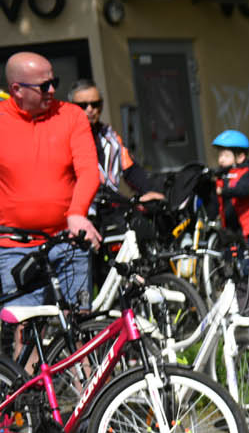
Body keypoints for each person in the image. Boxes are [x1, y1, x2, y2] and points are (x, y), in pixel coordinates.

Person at [0, 51, 100, 309]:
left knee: (80, 322)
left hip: (67, 239)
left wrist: (77, 213)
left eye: (54, 81)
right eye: (44, 86)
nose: (53, 90)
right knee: (29, 327)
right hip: (15, 246)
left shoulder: (71, 115)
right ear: (17, 89)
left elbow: (88, 169)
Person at [67, 80, 162, 201]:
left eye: (95, 104)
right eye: (82, 106)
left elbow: (131, 170)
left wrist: (151, 191)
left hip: (111, 207)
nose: (90, 109)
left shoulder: (110, 135)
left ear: (101, 106)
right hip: (82, 210)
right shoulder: (66, 139)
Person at [211, 130, 249, 239]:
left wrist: (222, 191)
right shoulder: (222, 175)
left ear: (240, 157)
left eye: (226, 156)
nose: (221, 159)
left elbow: (245, 190)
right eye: (220, 155)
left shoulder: (247, 172)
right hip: (232, 229)